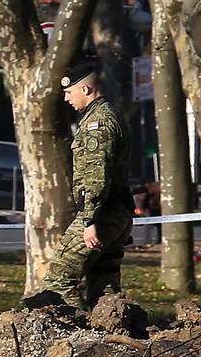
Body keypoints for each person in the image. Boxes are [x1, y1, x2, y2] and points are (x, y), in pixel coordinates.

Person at [43, 58, 134, 309]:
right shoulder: (110, 115)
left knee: (58, 280)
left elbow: (97, 174)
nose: (66, 99)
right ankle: (112, 331)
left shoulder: (98, 123)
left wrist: (88, 220)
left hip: (101, 214)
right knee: (104, 281)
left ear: (86, 89)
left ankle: (75, 331)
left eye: (69, 92)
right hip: (117, 210)